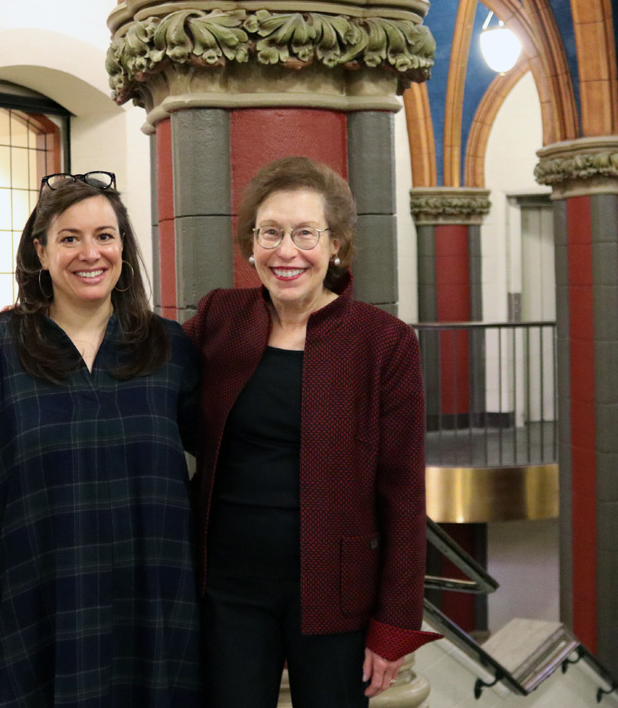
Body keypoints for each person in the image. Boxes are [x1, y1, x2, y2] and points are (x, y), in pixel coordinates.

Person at [0, 172, 202, 708]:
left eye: (104, 235)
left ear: (123, 247)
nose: (89, 253)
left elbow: (222, 459)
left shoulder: (168, 349)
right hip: (36, 599)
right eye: (69, 238)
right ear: (41, 251)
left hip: (153, 601)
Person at [184, 157, 441, 708]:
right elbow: (145, 373)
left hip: (337, 590)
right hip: (228, 584)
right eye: (270, 232)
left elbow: (404, 492)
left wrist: (395, 623)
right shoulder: (219, 318)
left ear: (337, 245)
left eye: (305, 233)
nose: (286, 251)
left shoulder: (384, 343)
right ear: (251, 244)